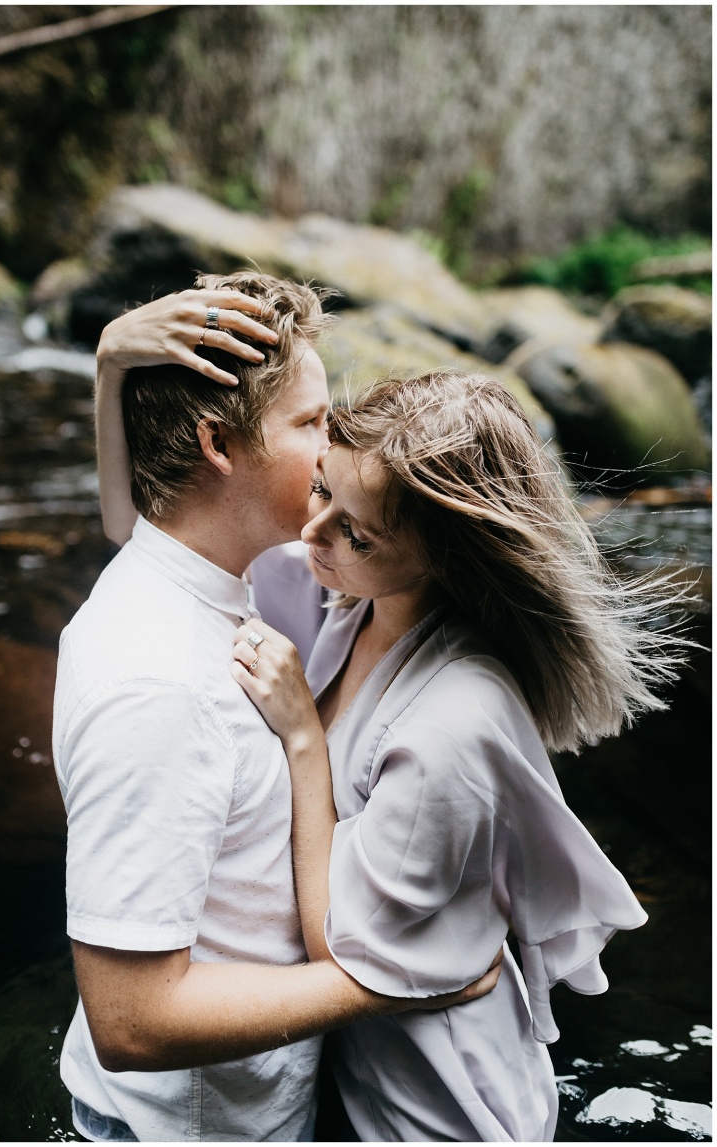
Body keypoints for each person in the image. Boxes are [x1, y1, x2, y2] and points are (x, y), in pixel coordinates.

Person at [54, 273, 499, 1144]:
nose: (334, 447)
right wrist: (396, 978)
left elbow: (125, 516)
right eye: (309, 423)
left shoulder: (181, 568)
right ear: (219, 444)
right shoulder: (161, 683)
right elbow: (131, 1020)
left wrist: (113, 364)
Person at [226, 369, 694, 1141]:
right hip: (366, 1083)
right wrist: (116, 378)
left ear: (449, 556)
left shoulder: (455, 725)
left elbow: (337, 944)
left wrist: (304, 738)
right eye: (321, 490)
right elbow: (168, 548)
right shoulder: (360, 597)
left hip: (441, 1113)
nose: (313, 534)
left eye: (357, 531)